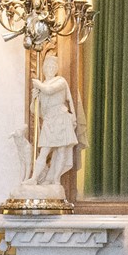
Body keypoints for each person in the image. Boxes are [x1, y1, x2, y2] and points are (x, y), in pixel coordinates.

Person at [29, 54, 84, 187]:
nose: (50, 68)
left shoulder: (60, 81)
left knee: (61, 151)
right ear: (43, 68)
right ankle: (33, 178)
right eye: (48, 65)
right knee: (44, 151)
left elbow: (49, 90)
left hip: (61, 118)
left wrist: (39, 85)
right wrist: (33, 98)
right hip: (49, 120)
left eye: (53, 66)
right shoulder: (41, 86)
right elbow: (34, 110)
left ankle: (56, 180)